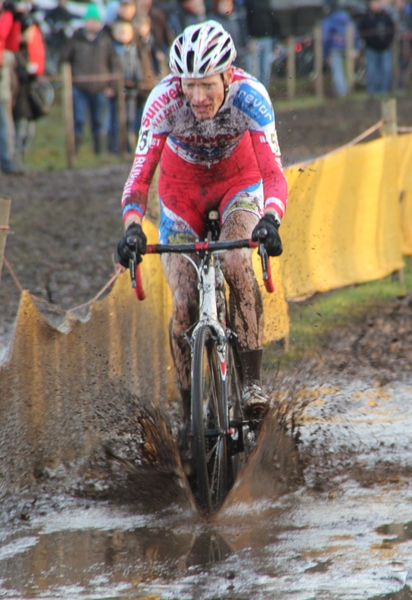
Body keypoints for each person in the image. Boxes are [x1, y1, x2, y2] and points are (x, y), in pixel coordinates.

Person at [117, 21, 288, 444]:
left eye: (207, 86)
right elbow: (139, 179)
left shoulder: (252, 96)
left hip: (238, 184)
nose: (197, 98)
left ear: (229, 76)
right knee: (184, 304)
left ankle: (250, 382)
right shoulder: (162, 102)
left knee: (235, 259)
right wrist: (133, 228)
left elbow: (273, 173)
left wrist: (270, 219)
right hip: (181, 193)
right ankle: (191, 412)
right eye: (189, 86)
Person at [59, 3, 119, 154]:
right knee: (78, 121)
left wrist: (111, 85)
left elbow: (114, 64)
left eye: (95, 21)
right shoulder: (75, 39)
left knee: (99, 122)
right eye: (90, 20)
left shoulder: (105, 40)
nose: (92, 24)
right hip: (79, 87)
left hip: (100, 88)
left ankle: (99, 153)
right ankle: (74, 153)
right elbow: (64, 60)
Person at [107, 19, 142, 153]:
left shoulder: (133, 50)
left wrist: (137, 82)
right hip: (117, 90)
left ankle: (128, 147)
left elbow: (137, 67)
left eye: (126, 32)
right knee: (116, 120)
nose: (123, 35)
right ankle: (115, 148)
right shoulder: (112, 50)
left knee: (131, 119)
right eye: (120, 32)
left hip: (131, 90)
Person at [322, 0, 360, 97]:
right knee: (348, 70)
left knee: (337, 71)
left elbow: (325, 37)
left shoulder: (329, 19)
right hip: (349, 46)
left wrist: (325, 54)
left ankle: (342, 93)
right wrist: (356, 47)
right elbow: (355, 32)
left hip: (335, 48)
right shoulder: (346, 17)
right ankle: (348, 91)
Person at [358, 0, 395, 94]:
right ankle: (372, 93)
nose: (377, 5)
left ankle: (384, 92)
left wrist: (387, 42)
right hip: (371, 49)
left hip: (385, 48)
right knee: (372, 72)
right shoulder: (366, 17)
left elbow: (392, 30)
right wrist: (370, 43)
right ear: (370, 4)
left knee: (386, 70)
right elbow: (362, 32)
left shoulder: (386, 16)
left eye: (378, 3)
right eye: (375, 3)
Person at [244, 0, 281, 89]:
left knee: (265, 71)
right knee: (254, 72)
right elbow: (245, 20)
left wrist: (276, 40)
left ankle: (264, 95)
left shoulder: (267, 2)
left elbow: (273, 19)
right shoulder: (249, 2)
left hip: (267, 38)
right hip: (254, 39)